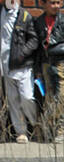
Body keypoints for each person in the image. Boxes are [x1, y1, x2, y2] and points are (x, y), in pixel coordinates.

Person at [32, 0, 64, 131]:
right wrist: (37, 69)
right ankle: (51, 129)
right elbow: (37, 49)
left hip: (61, 63)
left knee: (62, 97)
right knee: (49, 97)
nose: (56, 6)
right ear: (43, 4)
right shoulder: (38, 22)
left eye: (58, 3)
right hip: (46, 64)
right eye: (52, 3)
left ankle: (61, 130)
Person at [0, 0, 39, 142]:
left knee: (27, 97)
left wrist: (22, 53)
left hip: (22, 65)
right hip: (5, 65)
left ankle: (36, 125)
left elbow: (34, 40)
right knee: (13, 100)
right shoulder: (1, 13)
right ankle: (20, 132)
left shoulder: (24, 15)